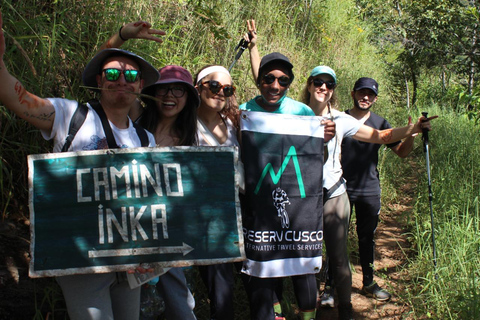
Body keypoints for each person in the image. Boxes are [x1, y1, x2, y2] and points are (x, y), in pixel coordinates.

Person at [0, 10, 160, 320]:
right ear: (100, 80)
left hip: (129, 263)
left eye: (130, 76)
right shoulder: (70, 115)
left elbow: (150, 201)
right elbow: (15, 97)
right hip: (81, 258)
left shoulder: (145, 139)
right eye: (112, 74)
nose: (121, 81)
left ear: (140, 85)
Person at [301, 68, 435, 319]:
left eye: (329, 84)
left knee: (343, 249)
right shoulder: (293, 115)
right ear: (309, 85)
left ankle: (348, 304)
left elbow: (382, 136)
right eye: (318, 82)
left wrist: (412, 130)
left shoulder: (342, 119)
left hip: (338, 191)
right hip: (302, 196)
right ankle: (313, 300)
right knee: (307, 253)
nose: (323, 88)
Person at [101, 23, 198, 320]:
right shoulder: (137, 122)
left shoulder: (191, 141)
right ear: (151, 93)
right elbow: (106, 68)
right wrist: (122, 35)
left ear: (188, 98)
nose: (170, 96)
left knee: (180, 308)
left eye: (179, 90)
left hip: (171, 238)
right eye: (164, 89)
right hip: (129, 234)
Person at [340, 77, 430, 302]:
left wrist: (410, 134)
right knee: (336, 237)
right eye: (362, 92)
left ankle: (368, 282)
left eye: (370, 94)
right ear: (353, 94)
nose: (365, 97)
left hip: (369, 189)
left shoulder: (381, 123)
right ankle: (332, 285)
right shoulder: (340, 118)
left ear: (375, 99)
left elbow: (401, 152)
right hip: (339, 188)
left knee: (366, 237)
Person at [194, 65, 242, 320]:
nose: (220, 93)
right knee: (221, 289)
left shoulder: (235, 123)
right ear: (198, 87)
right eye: (214, 86)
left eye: (227, 89)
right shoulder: (185, 124)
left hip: (236, 216)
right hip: (205, 221)